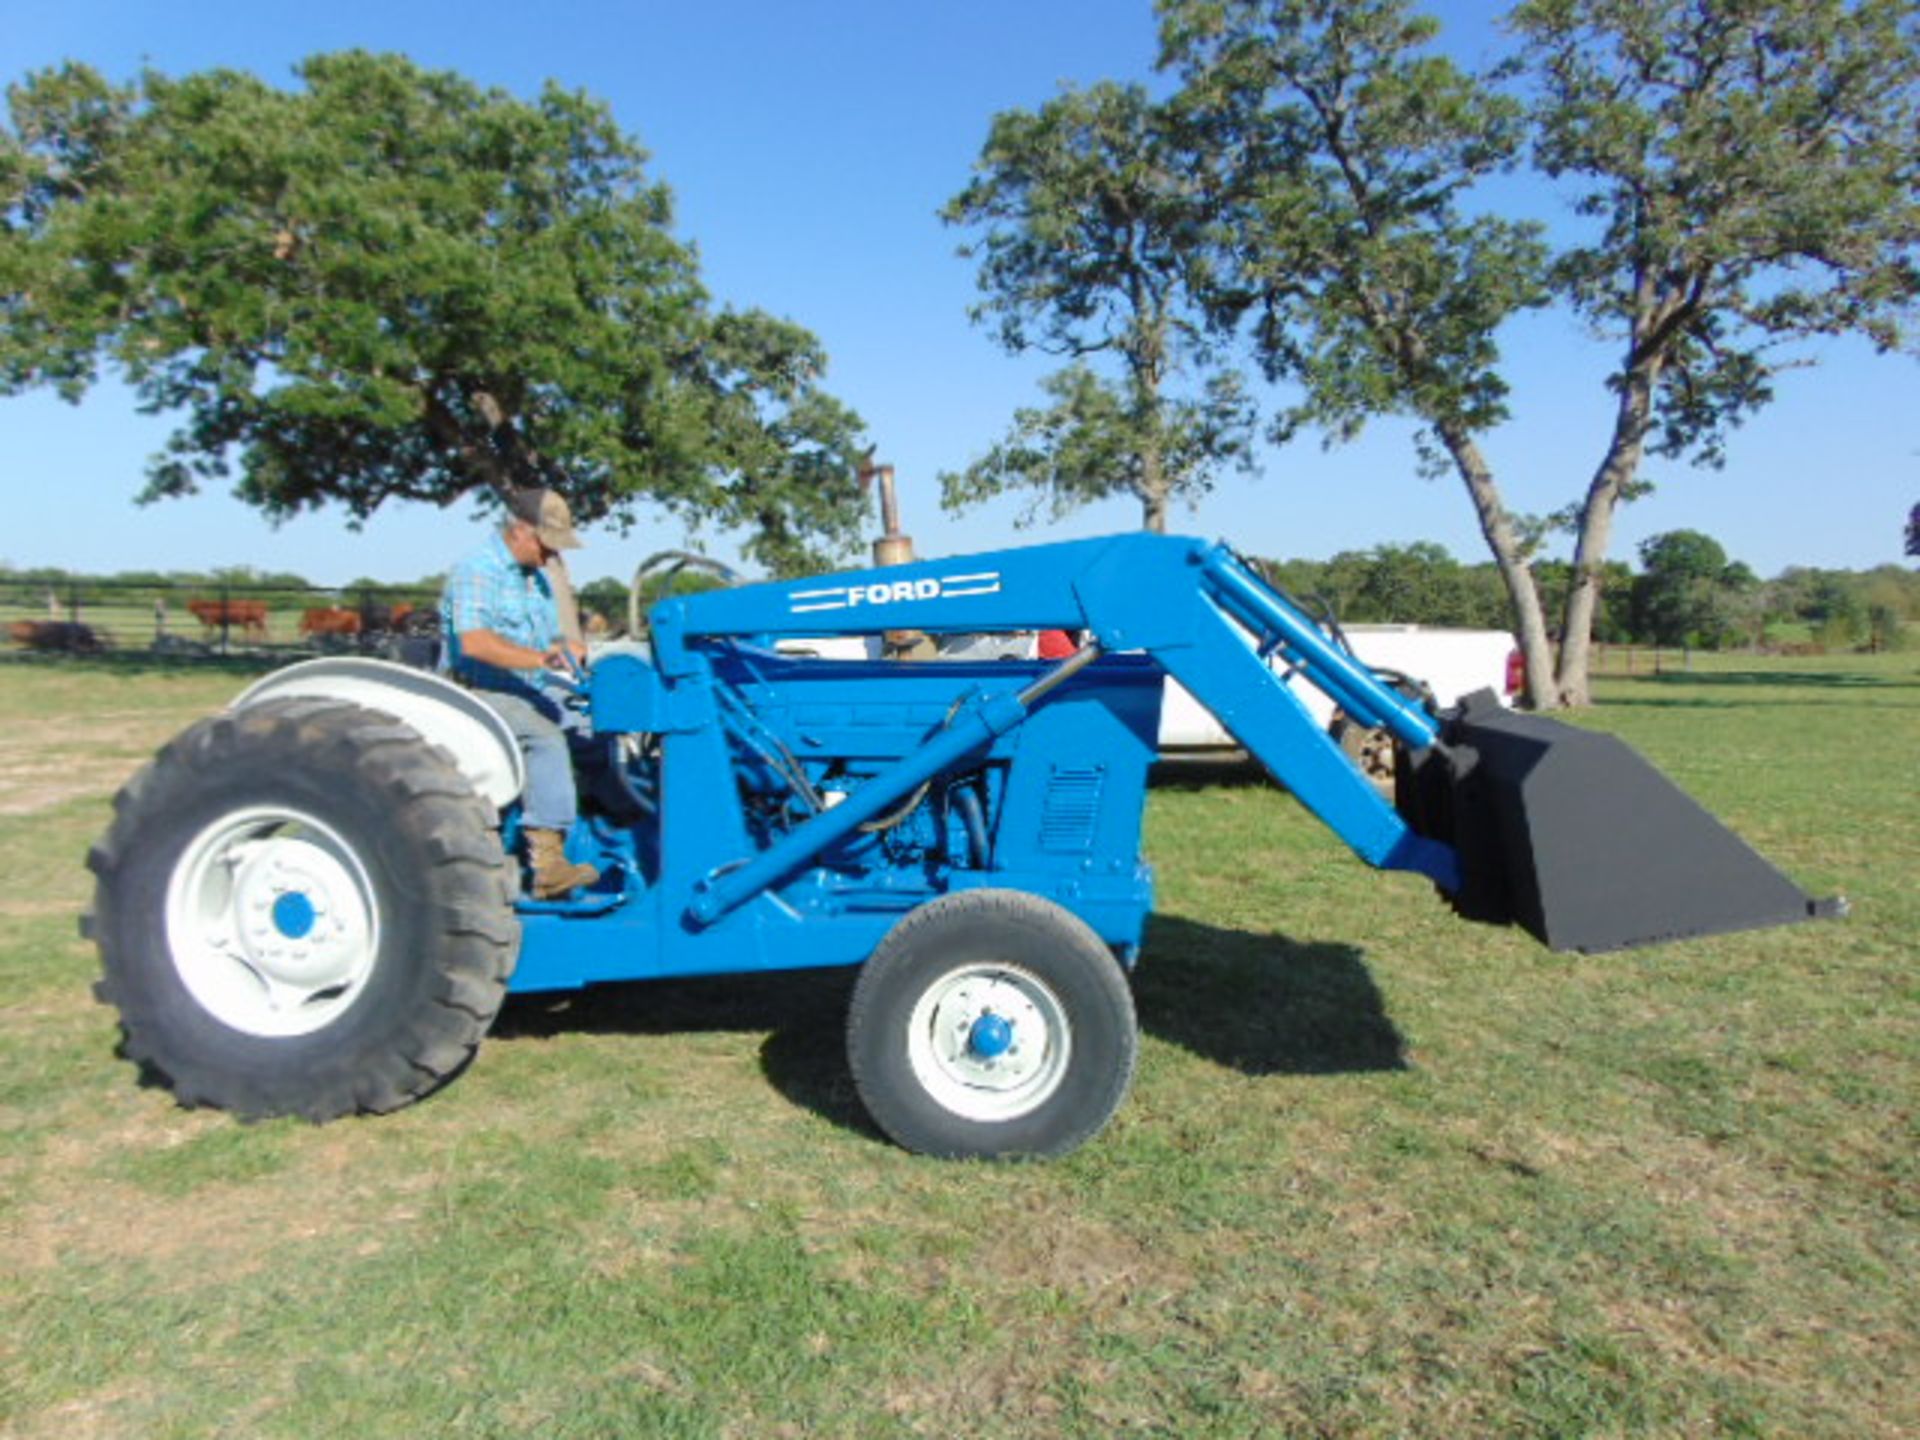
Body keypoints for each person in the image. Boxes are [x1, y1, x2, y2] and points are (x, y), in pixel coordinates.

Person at [440, 488, 600, 899]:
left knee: (599, 722)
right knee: (543, 736)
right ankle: (549, 865)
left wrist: (568, 650)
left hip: (526, 688)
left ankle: (610, 826)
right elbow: (475, 643)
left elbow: (549, 641)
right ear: (521, 531)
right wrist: (541, 661)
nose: (551, 558)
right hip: (478, 691)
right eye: (547, 547)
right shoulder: (477, 571)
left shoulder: (535, 581)